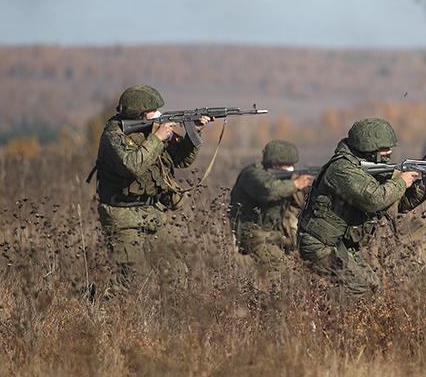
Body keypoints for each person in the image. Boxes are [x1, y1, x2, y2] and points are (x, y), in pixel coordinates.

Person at [297, 118, 426, 296]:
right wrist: (401, 182)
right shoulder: (342, 169)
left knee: (373, 287)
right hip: (319, 244)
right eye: (385, 149)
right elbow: (374, 199)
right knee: (358, 288)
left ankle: (328, 316)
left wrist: (425, 186)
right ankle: (316, 317)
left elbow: (400, 204)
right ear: (368, 147)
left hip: (339, 244)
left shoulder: (368, 169)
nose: (389, 152)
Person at [92, 85, 212, 296]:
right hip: (121, 216)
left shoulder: (153, 129)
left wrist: (194, 131)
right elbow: (133, 165)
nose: (158, 113)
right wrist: (157, 138)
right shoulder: (114, 134)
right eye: (152, 110)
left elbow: (181, 160)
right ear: (139, 114)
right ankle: (95, 303)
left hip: (152, 212)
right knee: (133, 280)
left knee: (177, 272)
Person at [229, 140, 313, 267]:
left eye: (291, 165)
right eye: (285, 166)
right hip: (254, 236)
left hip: (279, 236)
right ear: (275, 165)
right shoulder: (252, 174)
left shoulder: (288, 178)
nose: (289, 169)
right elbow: (268, 189)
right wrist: (295, 184)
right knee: (282, 267)